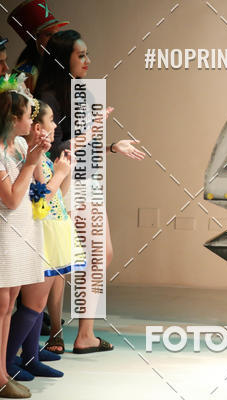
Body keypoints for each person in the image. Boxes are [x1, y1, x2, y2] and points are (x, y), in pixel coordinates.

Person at [35, 29, 144, 354]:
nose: (88, 61)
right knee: (62, 258)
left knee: (94, 254)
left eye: (87, 55)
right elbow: (54, 149)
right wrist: (92, 134)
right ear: (63, 58)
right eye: (80, 55)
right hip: (62, 183)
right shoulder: (50, 97)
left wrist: (110, 146)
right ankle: (60, 331)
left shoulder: (76, 92)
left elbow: (77, 146)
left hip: (82, 180)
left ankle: (82, 334)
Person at [6, 98, 72, 383]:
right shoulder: (26, 152)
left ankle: (29, 356)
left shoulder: (35, 153)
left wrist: (63, 172)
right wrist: (59, 174)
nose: (55, 126)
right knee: (32, 303)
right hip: (37, 230)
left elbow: (56, 196)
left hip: (49, 228)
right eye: (50, 120)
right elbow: (40, 198)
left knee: (37, 303)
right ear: (34, 126)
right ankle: (8, 360)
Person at [0, 74, 51, 398]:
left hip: (22, 232)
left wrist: (36, 152)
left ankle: (3, 371)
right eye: (27, 115)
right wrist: (31, 161)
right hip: (4, 235)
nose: (32, 121)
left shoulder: (19, 145)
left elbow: (38, 184)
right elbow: (12, 198)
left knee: (9, 304)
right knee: (2, 304)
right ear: (12, 118)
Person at [8, 0, 69, 92]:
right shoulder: (24, 72)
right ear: (35, 39)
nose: (55, 39)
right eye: (49, 34)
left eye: (57, 34)